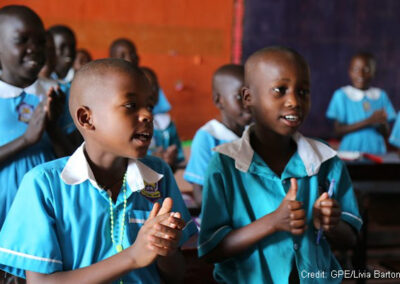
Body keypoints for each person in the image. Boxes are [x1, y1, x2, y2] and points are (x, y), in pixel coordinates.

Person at [0, 58, 197, 283]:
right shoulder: (44, 185)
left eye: (149, 105)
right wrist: (133, 256)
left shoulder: (158, 174)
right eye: (131, 105)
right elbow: (41, 282)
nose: (147, 116)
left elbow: (176, 274)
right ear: (86, 118)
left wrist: (165, 248)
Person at [198, 47, 362, 283]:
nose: (294, 101)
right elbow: (210, 249)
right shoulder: (225, 164)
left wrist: (330, 224)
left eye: (303, 91)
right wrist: (272, 222)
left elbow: (350, 237)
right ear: (248, 98)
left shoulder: (325, 160)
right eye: (279, 90)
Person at [0, 5, 71, 230]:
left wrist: (52, 128)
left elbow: (77, 161)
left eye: (41, 42)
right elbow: (28, 139)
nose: (34, 49)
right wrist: (26, 140)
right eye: (22, 40)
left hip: (47, 217)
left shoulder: (57, 95)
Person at [183, 64, 251, 206]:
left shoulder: (255, 134)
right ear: (218, 100)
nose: (248, 103)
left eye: (251, 96)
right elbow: (201, 197)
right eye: (240, 97)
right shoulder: (207, 137)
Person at [326, 52, 396, 154]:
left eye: (366, 70)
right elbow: (338, 131)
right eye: (355, 69)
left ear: (374, 72)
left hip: (377, 151)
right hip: (350, 151)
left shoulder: (381, 95)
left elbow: (385, 133)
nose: (361, 74)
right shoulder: (341, 95)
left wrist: (382, 122)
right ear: (349, 71)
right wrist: (369, 121)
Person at [109, 37, 171, 115]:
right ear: (111, 60)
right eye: (122, 56)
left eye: (132, 54)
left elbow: (161, 110)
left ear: (138, 57)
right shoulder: (108, 83)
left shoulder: (148, 78)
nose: (129, 59)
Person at [142, 66, 185, 172]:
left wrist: (170, 161)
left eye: (155, 87)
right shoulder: (128, 125)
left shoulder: (167, 124)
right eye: (145, 86)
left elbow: (176, 164)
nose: (152, 91)